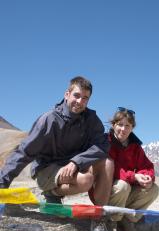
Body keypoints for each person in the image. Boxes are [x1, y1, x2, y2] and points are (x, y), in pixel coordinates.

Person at [0, 77, 114, 221]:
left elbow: (102, 145)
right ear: (67, 94)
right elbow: (24, 152)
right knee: (86, 180)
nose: (80, 101)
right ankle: (51, 193)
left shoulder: (91, 120)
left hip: (72, 166)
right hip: (46, 169)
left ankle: (99, 220)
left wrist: (76, 162)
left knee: (108, 162)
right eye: (76, 96)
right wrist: (2, 182)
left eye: (85, 98)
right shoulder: (49, 120)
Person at [107, 107, 159, 231]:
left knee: (153, 189)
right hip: (106, 191)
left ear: (132, 128)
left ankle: (127, 219)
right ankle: (111, 220)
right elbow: (111, 169)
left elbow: (147, 165)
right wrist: (134, 176)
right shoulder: (105, 141)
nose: (123, 129)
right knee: (122, 185)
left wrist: (147, 177)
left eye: (127, 125)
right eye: (120, 124)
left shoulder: (135, 146)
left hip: (125, 191)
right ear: (113, 125)